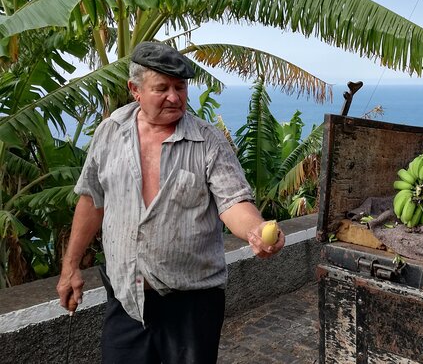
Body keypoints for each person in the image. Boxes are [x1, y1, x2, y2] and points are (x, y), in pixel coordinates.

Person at [56, 41, 285, 363]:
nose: (174, 97)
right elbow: (93, 200)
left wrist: (255, 229)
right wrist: (70, 267)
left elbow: (233, 202)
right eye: (161, 88)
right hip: (127, 300)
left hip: (192, 303)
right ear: (134, 89)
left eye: (180, 87)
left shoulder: (208, 141)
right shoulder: (110, 132)